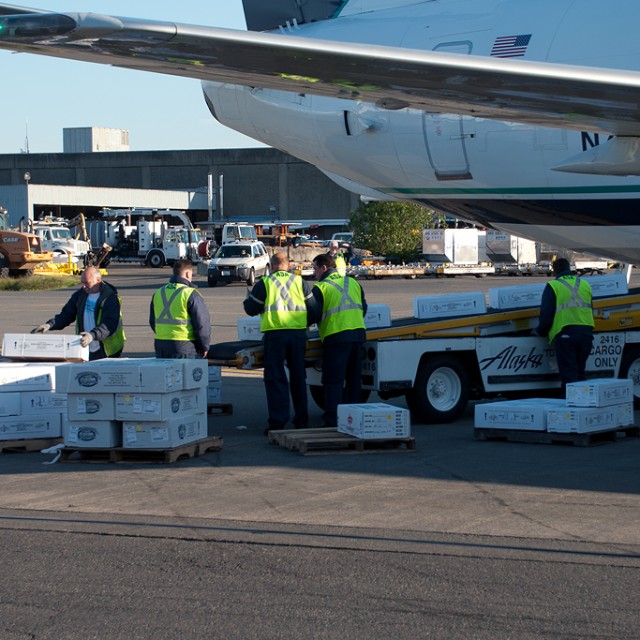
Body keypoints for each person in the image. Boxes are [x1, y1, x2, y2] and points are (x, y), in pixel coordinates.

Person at [244, 252, 313, 432]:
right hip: (297, 335)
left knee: (276, 378)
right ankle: (301, 420)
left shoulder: (266, 283)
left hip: (275, 335)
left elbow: (251, 309)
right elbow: (313, 308)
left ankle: (278, 421)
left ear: (272, 266)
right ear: (288, 265)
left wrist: (248, 299)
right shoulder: (300, 282)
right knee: (298, 377)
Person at [308, 252, 368, 429]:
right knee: (353, 379)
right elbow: (363, 308)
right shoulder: (353, 282)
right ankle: (354, 418)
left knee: (333, 381)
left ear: (324, 268)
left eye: (315, 269)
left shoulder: (321, 287)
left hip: (336, 336)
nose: (314, 273)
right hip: (357, 335)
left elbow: (313, 314)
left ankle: (332, 420)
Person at [31, 266, 125, 361]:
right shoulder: (79, 295)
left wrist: (92, 335)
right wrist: (48, 325)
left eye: (87, 283)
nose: (83, 286)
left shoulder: (110, 298)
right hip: (86, 346)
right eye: (82, 282)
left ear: (98, 280)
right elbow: (66, 315)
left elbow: (109, 324)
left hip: (108, 350)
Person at [535, 257, 595, 391]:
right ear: (569, 269)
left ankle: (570, 408)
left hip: (566, 334)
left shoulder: (553, 286)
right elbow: (590, 308)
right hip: (586, 334)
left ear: (555, 271)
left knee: (569, 375)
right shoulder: (585, 284)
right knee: (580, 373)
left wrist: (540, 331)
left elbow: (547, 313)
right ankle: (582, 406)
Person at [149, 258, 210, 359]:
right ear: (187, 274)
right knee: (183, 374)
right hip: (184, 345)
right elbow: (201, 324)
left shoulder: (158, 293)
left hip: (161, 344)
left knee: (165, 374)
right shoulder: (190, 294)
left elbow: (152, 321)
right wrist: (204, 346)